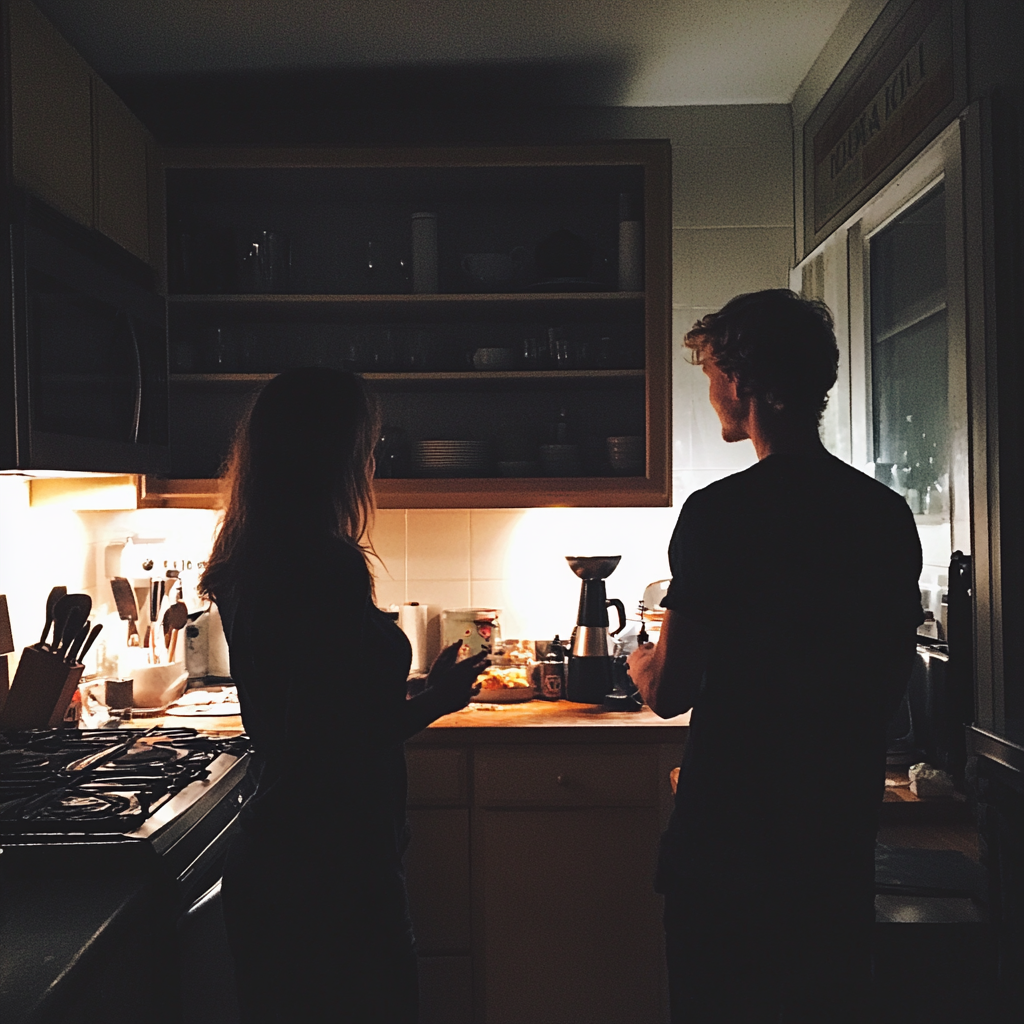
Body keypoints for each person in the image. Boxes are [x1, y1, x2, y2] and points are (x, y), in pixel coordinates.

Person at [628, 289, 923, 1023]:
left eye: (709, 375)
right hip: (832, 844)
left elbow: (670, 690)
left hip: (728, 844)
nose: (710, 393)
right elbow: (891, 680)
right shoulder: (882, 513)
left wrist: (641, 665)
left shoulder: (720, 514)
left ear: (740, 379)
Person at [198, 368, 487, 1024]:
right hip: (334, 872)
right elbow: (331, 745)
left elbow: (312, 702)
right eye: (367, 445)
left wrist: (411, 690)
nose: (373, 461)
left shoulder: (250, 553)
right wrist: (433, 702)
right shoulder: (325, 566)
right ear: (332, 457)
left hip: (278, 859)